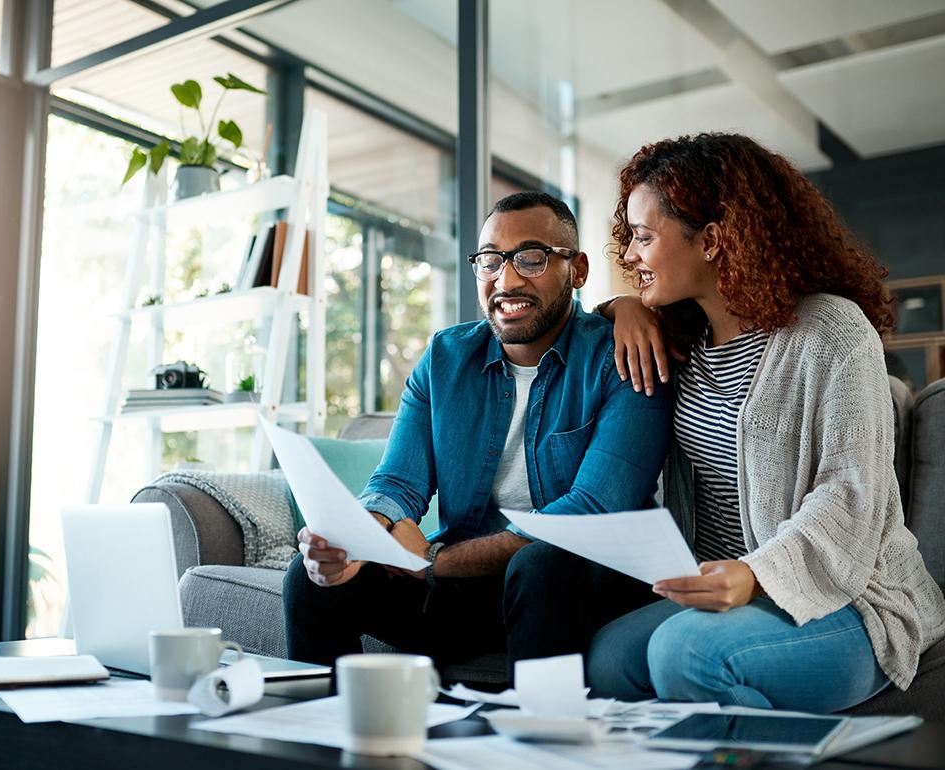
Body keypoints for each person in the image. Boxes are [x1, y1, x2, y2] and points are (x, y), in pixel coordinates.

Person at [586, 132, 945, 712]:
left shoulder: (833, 332)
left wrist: (754, 574)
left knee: (684, 654)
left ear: (712, 239)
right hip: (726, 593)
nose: (628, 254)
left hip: (851, 597)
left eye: (644, 237)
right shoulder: (681, 339)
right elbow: (588, 321)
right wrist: (619, 306)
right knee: (607, 657)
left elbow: (849, 495)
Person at [282, 191, 673, 680]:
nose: (505, 280)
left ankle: (538, 744)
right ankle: (320, 741)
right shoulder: (446, 358)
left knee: (542, 564)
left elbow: (588, 514)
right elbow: (397, 484)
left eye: (531, 258)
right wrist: (358, 535)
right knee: (311, 578)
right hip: (467, 591)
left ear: (578, 270)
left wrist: (431, 559)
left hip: (575, 586)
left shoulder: (623, 358)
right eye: (490, 261)